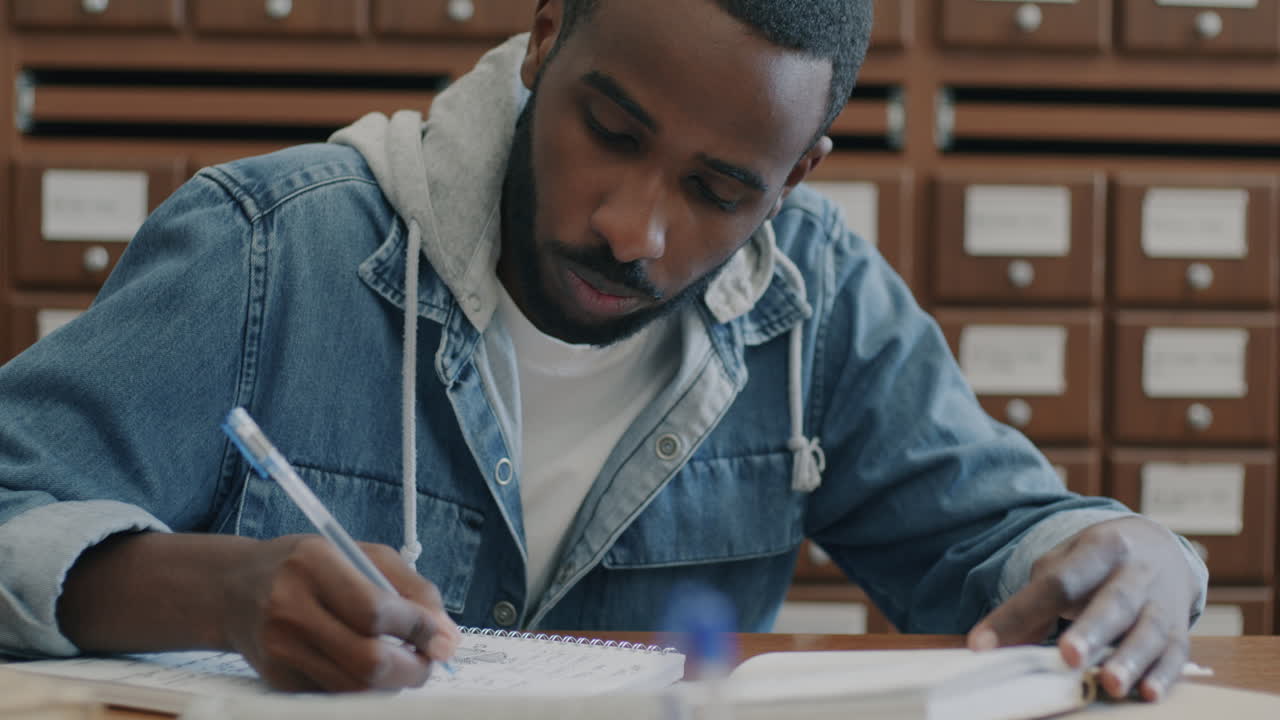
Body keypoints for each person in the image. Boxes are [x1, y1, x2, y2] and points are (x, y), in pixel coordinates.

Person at [0, 0, 1206, 702]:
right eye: (611, 131)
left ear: (795, 176)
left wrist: (1133, 560)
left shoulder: (816, 302)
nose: (633, 230)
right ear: (544, 39)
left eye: (718, 190)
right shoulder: (268, 250)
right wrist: (218, 593)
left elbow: (998, 537)